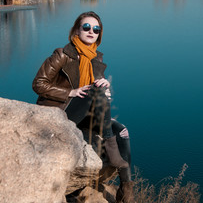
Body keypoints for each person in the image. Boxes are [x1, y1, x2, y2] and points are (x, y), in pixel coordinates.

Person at [32, 11, 135, 203]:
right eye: (86, 27)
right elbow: (38, 84)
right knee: (94, 93)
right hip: (60, 111)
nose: (91, 31)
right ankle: (110, 147)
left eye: (96, 29)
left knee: (122, 131)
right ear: (76, 30)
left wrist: (105, 89)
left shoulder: (96, 59)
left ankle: (126, 191)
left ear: (99, 35)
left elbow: (94, 91)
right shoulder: (62, 54)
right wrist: (69, 92)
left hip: (83, 111)